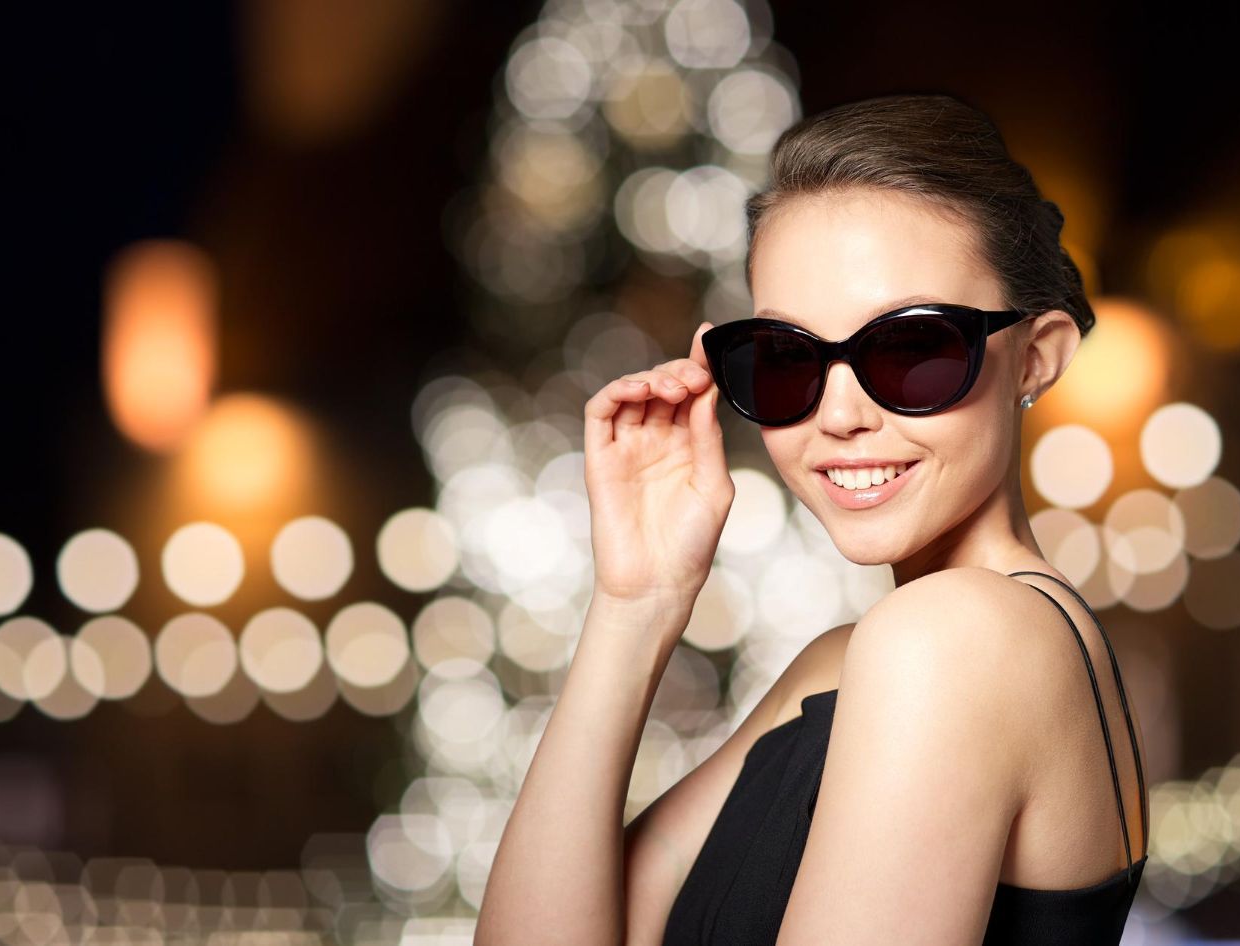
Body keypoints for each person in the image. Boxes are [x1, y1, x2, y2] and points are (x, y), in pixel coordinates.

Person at [473, 92, 1150, 946]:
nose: (839, 416)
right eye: (789, 360)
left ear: (1037, 355)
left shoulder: (955, 638)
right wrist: (636, 603)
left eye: (911, 348)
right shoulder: (845, 663)